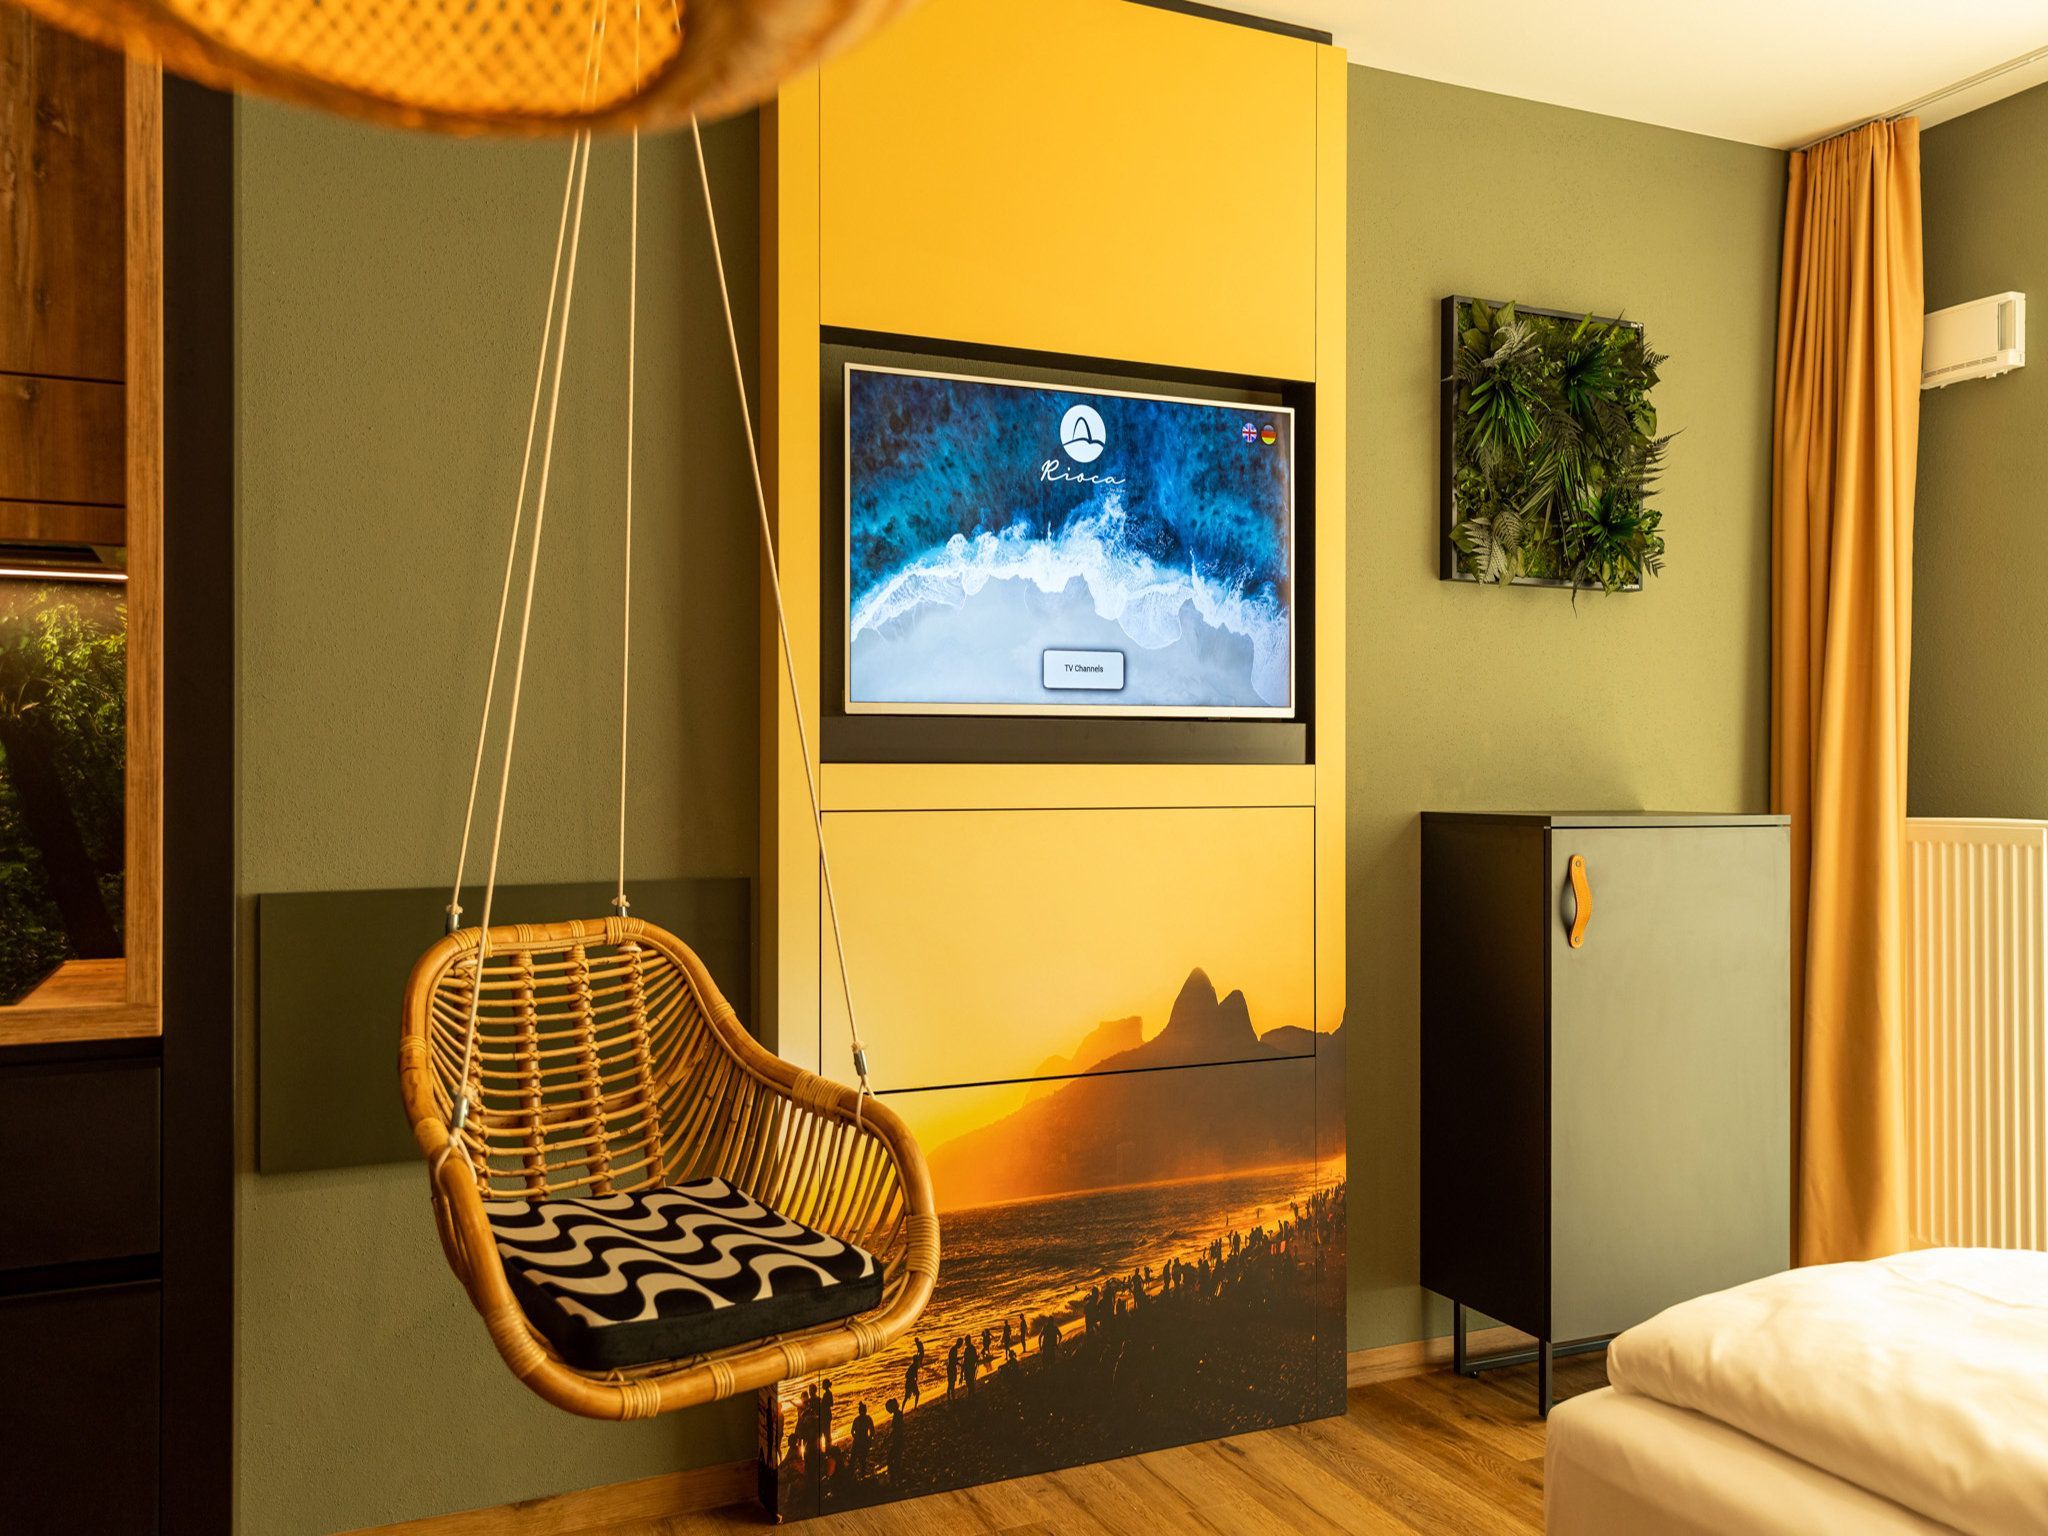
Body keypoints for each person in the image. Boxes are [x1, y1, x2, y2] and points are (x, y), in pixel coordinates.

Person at [850, 1402, 873, 1481]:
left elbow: (852, 1431)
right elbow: (872, 1431)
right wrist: (869, 1439)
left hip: (860, 1440)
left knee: (858, 1459)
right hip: (861, 1440)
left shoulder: (859, 1419)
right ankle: (860, 1475)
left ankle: (859, 1476)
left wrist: (856, 1437)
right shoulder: (866, 1419)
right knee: (859, 1459)